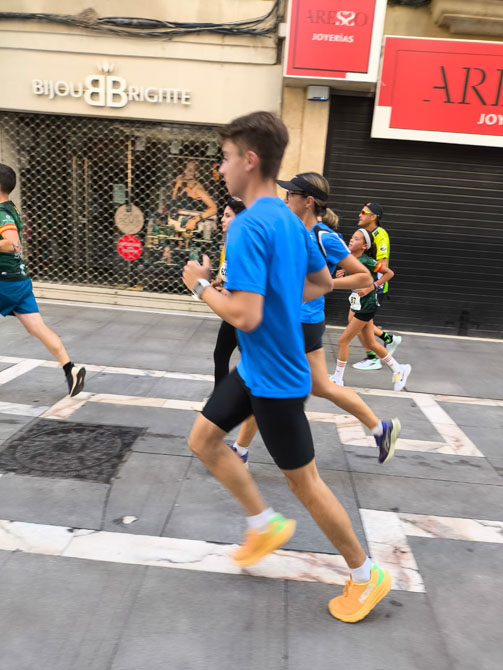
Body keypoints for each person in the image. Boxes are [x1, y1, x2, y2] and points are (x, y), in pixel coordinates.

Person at [182, 111, 392, 624]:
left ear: (250, 160)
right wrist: (275, 297)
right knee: (204, 440)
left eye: (226, 158)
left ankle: (366, 574)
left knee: (306, 483)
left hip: (275, 378)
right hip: (256, 367)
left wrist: (199, 285)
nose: (221, 169)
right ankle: (263, 524)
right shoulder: (287, 219)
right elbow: (319, 284)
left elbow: (244, 314)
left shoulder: (250, 225)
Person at [276, 173, 400, 464]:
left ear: (308, 201)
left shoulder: (324, 236)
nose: (286, 198)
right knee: (320, 386)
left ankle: (242, 450)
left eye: (291, 194)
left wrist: (325, 284)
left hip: (303, 320)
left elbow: (364, 276)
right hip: (295, 317)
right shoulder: (295, 230)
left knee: (265, 382)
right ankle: (380, 428)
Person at [0, 163, 85, 396]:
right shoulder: (10, 208)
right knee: (36, 327)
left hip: (4, 281)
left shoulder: (2, 213)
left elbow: (13, 244)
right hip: (19, 280)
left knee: (37, 327)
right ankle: (70, 369)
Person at [330, 228, 411, 391]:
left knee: (343, 340)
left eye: (356, 239)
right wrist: (343, 275)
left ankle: (338, 378)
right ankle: (399, 369)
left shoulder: (368, 261)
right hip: (359, 304)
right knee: (371, 343)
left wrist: (372, 287)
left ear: (364, 246)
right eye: (352, 237)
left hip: (367, 306)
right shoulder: (350, 260)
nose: (351, 240)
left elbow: (389, 273)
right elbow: (355, 279)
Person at [212, 196, 257, 465]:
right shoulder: (230, 240)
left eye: (227, 215)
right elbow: (227, 271)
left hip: (242, 313)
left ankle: (244, 404)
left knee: (250, 362)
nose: (222, 219)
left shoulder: (243, 241)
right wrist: (218, 282)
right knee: (220, 354)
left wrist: (227, 292)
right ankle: (221, 402)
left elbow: (249, 279)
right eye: (224, 214)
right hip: (232, 310)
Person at [352, 203, 402, 371]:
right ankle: (388, 340)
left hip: (372, 288)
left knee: (357, 322)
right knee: (358, 322)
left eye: (363, 212)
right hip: (363, 285)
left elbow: (382, 265)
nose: (359, 214)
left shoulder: (380, 235)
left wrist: (373, 287)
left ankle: (373, 358)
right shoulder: (366, 233)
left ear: (373, 217)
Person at [170, 160, 217, 236]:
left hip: (195, 230)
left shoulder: (198, 189)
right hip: (180, 227)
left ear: (196, 174)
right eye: (186, 168)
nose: (186, 172)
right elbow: (173, 202)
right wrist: (177, 186)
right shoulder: (184, 187)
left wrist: (195, 220)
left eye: (190, 170)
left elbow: (214, 208)